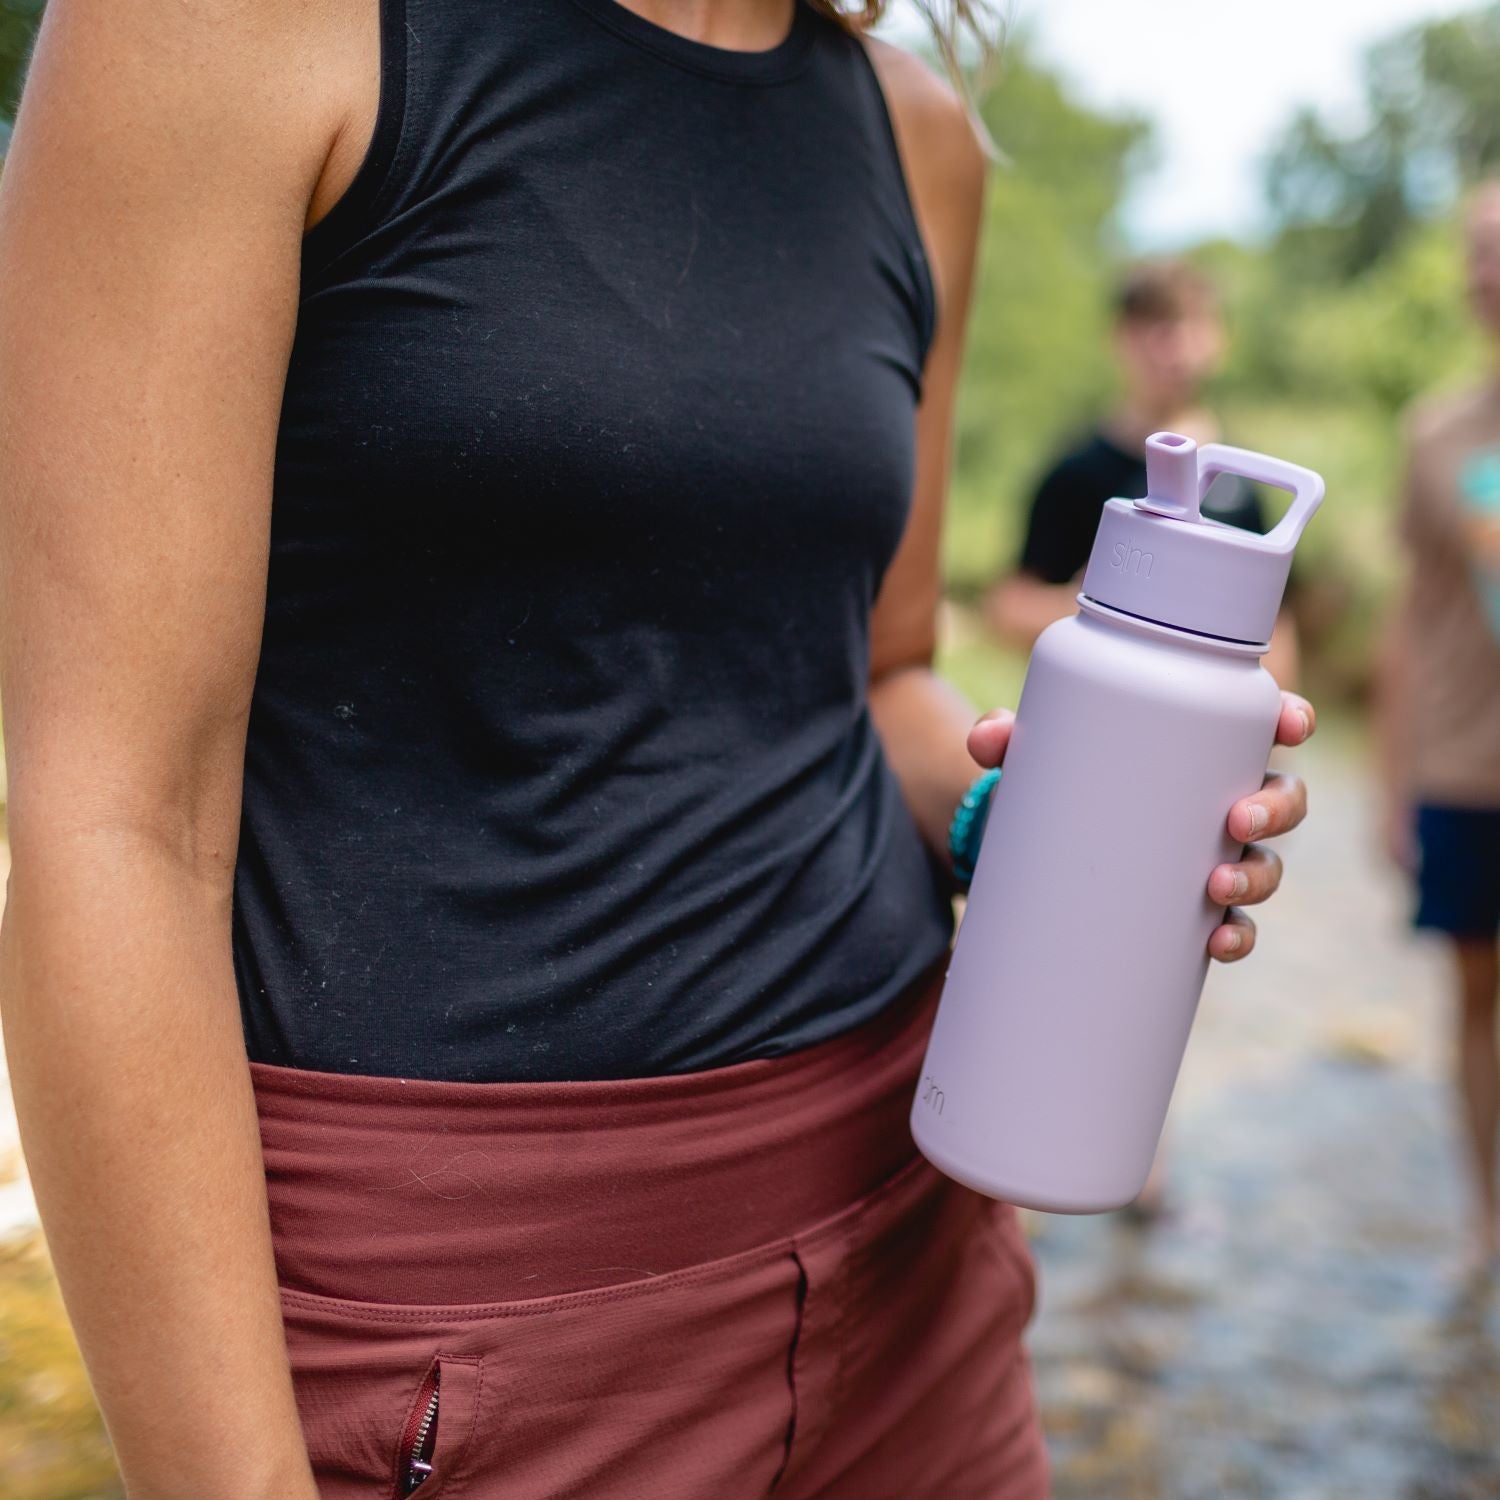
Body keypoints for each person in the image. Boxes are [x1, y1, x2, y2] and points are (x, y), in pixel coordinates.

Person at [0, 2, 1313, 1496]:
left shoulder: (912, 132)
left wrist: (1042, 817)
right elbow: (115, 822)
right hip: (457, 1310)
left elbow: (874, 676)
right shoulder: (233, 32)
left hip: (910, 1256)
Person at [1376, 180, 1500, 1279]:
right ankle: (1486, 1220)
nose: (1488, 271)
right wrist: (1390, 786)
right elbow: (1410, 619)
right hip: (1465, 772)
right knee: (1474, 998)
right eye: (1476, 253)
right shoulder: (1435, 432)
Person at [986, 258, 1300, 687]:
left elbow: (1277, 631)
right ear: (1120, 338)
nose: (1173, 348)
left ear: (1220, 339)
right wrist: (1108, 602)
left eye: (1190, 324)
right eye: (1155, 327)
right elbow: (1008, 610)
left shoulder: (1245, 486)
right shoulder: (1073, 476)